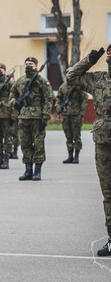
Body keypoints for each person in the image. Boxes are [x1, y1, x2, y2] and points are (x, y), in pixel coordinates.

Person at [66, 46, 111, 256]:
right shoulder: (99, 79)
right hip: (103, 139)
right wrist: (89, 60)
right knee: (108, 192)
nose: (110, 55)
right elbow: (72, 76)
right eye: (109, 52)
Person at [9, 57, 53, 181]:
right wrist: (15, 102)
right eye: (26, 63)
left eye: (31, 64)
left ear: (36, 65)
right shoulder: (20, 81)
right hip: (23, 116)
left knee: (38, 143)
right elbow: (12, 94)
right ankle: (28, 170)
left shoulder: (41, 81)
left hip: (37, 117)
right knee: (25, 143)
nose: (28, 65)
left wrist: (45, 116)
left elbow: (48, 99)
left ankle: (37, 171)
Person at [56, 75, 88, 164]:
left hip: (76, 115)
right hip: (66, 115)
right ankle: (70, 156)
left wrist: (81, 114)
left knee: (76, 136)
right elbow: (58, 98)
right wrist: (58, 106)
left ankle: (76, 156)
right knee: (68, 136)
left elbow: (84, 100)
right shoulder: (63, 87)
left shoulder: (79, 87)